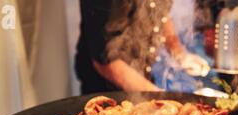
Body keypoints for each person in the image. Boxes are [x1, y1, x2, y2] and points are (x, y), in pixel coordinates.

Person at [75, 0, 210, 94]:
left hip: (143, 84)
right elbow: (104, 61)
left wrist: (179, 52)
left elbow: (162, 15)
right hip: (107, 92)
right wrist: (158, 97)